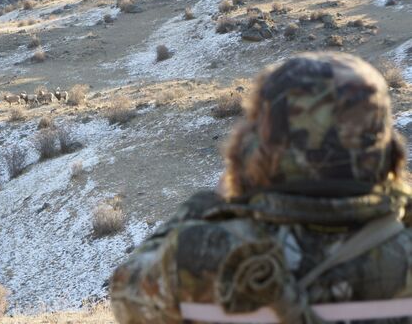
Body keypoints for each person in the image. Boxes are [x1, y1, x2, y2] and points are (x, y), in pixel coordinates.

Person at [110, 52, 412, 324]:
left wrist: (208, 204)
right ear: (388, 152)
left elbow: (126, 293)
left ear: (256, 148)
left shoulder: (202, 257)